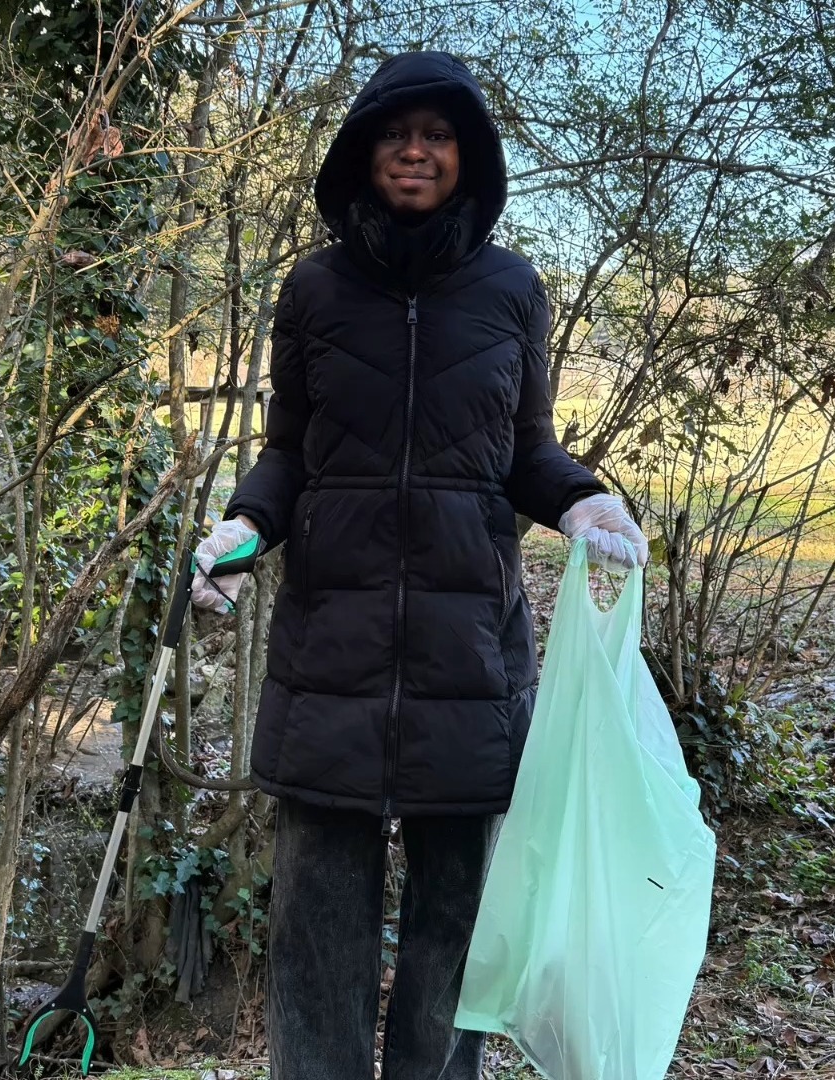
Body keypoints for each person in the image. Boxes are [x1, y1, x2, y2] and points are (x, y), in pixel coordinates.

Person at [191, 50, 647, 1080]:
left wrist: (579, 497)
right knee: (316, 927)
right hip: (331, 659)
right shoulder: (313, 290)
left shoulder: (512, 291)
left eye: (438, 135)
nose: (415, 150)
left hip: (468, 661)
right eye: (398, 132)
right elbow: (290, 455)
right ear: (363, 151)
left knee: (458, 930)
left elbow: (525, 450)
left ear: (467, 159)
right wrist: (240, 531)